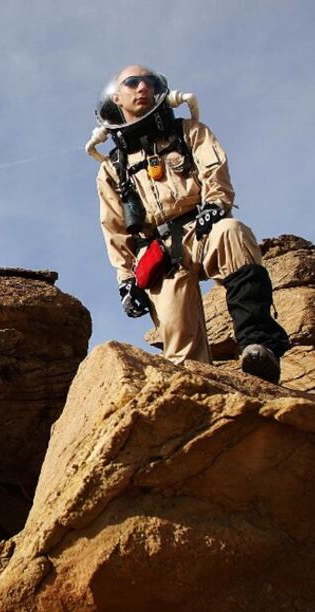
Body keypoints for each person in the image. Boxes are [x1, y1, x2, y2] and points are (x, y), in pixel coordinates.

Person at [91, 64, 289, 382]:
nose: (143, 88)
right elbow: (113, 228)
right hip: (157, 252)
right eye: (133, 83)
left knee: (232, 233)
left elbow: (215, 171)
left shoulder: (188, 132)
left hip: (201, 228)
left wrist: (215, 205)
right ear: (117, 96)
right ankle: (203, 406)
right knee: (181, 352)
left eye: (150, 82)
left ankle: (259, 346)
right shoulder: (112, 168)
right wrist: (126, 280)